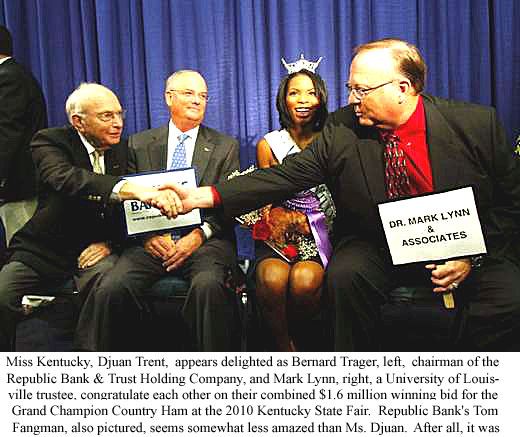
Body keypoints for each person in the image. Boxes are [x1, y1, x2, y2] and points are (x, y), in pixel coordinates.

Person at [163, 39, 520, 351]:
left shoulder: (476, 125)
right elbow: (285, 177)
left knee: (508, 298)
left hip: (461, 243)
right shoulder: (342, 127)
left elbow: (510, 202)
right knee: (344, 276)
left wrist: (470, 256)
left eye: (362, 90)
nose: (352, 99)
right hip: (378, 244)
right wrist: (201, 196)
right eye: (351, 89)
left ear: (402, 88)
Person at [0, 82, 179, 351]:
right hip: (43, 251)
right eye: (107, 116)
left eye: (120, 114)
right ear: (78, 122)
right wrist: (130, 190)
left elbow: (127, 215)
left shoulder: (124, 149)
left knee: (108, 287)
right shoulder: (49, 142)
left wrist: (111, 245)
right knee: (3, 293)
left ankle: (90, 360)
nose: (117, 123)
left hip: (96, 250)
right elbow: (68, 179)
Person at [76, 70, 240, 351]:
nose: (197, 101)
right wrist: (145, 238)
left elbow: (230, 205)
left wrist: (198, 236)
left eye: (203, 96)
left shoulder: (225, 146)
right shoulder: (138, 144)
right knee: (112, 287)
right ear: (168, 98)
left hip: (204, 242)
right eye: (188, 93)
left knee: (208, 286)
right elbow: (123, 201)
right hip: (148, 243)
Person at [255, 65, 334, 351]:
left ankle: (307, 345)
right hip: (281, 235)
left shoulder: (332, 139)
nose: (303, 100)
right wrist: (274, 218)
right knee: (272, 278)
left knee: (304, 280)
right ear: (283, 99)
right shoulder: (269, 144)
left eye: (311, 93)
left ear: (321, 99)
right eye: (295, 93)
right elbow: (265, 197)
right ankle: (283, 350)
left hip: (321, 234)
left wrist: (315, 221)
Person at [0, 25, 47, 249]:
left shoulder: (8, 77)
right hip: (15, 181)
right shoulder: (14, 74)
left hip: (17, 182)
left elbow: (7, 133)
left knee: (25, 249)